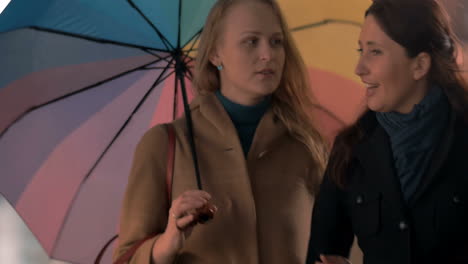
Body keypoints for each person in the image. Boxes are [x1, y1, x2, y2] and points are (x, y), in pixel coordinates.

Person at [113, 0, 329, 263]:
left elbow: (330, 248)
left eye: (276, 42)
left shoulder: (306, 147)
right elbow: (126, 258)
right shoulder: (165, 145)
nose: (268, 54)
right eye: (251, 41)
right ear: (216, 53)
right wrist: (166, 244)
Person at [306, 0, 468, 263]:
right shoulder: (350, 149)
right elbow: (322, 254)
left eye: (375, 52)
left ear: (419, 65)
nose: (359, 68)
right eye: (361, 50)